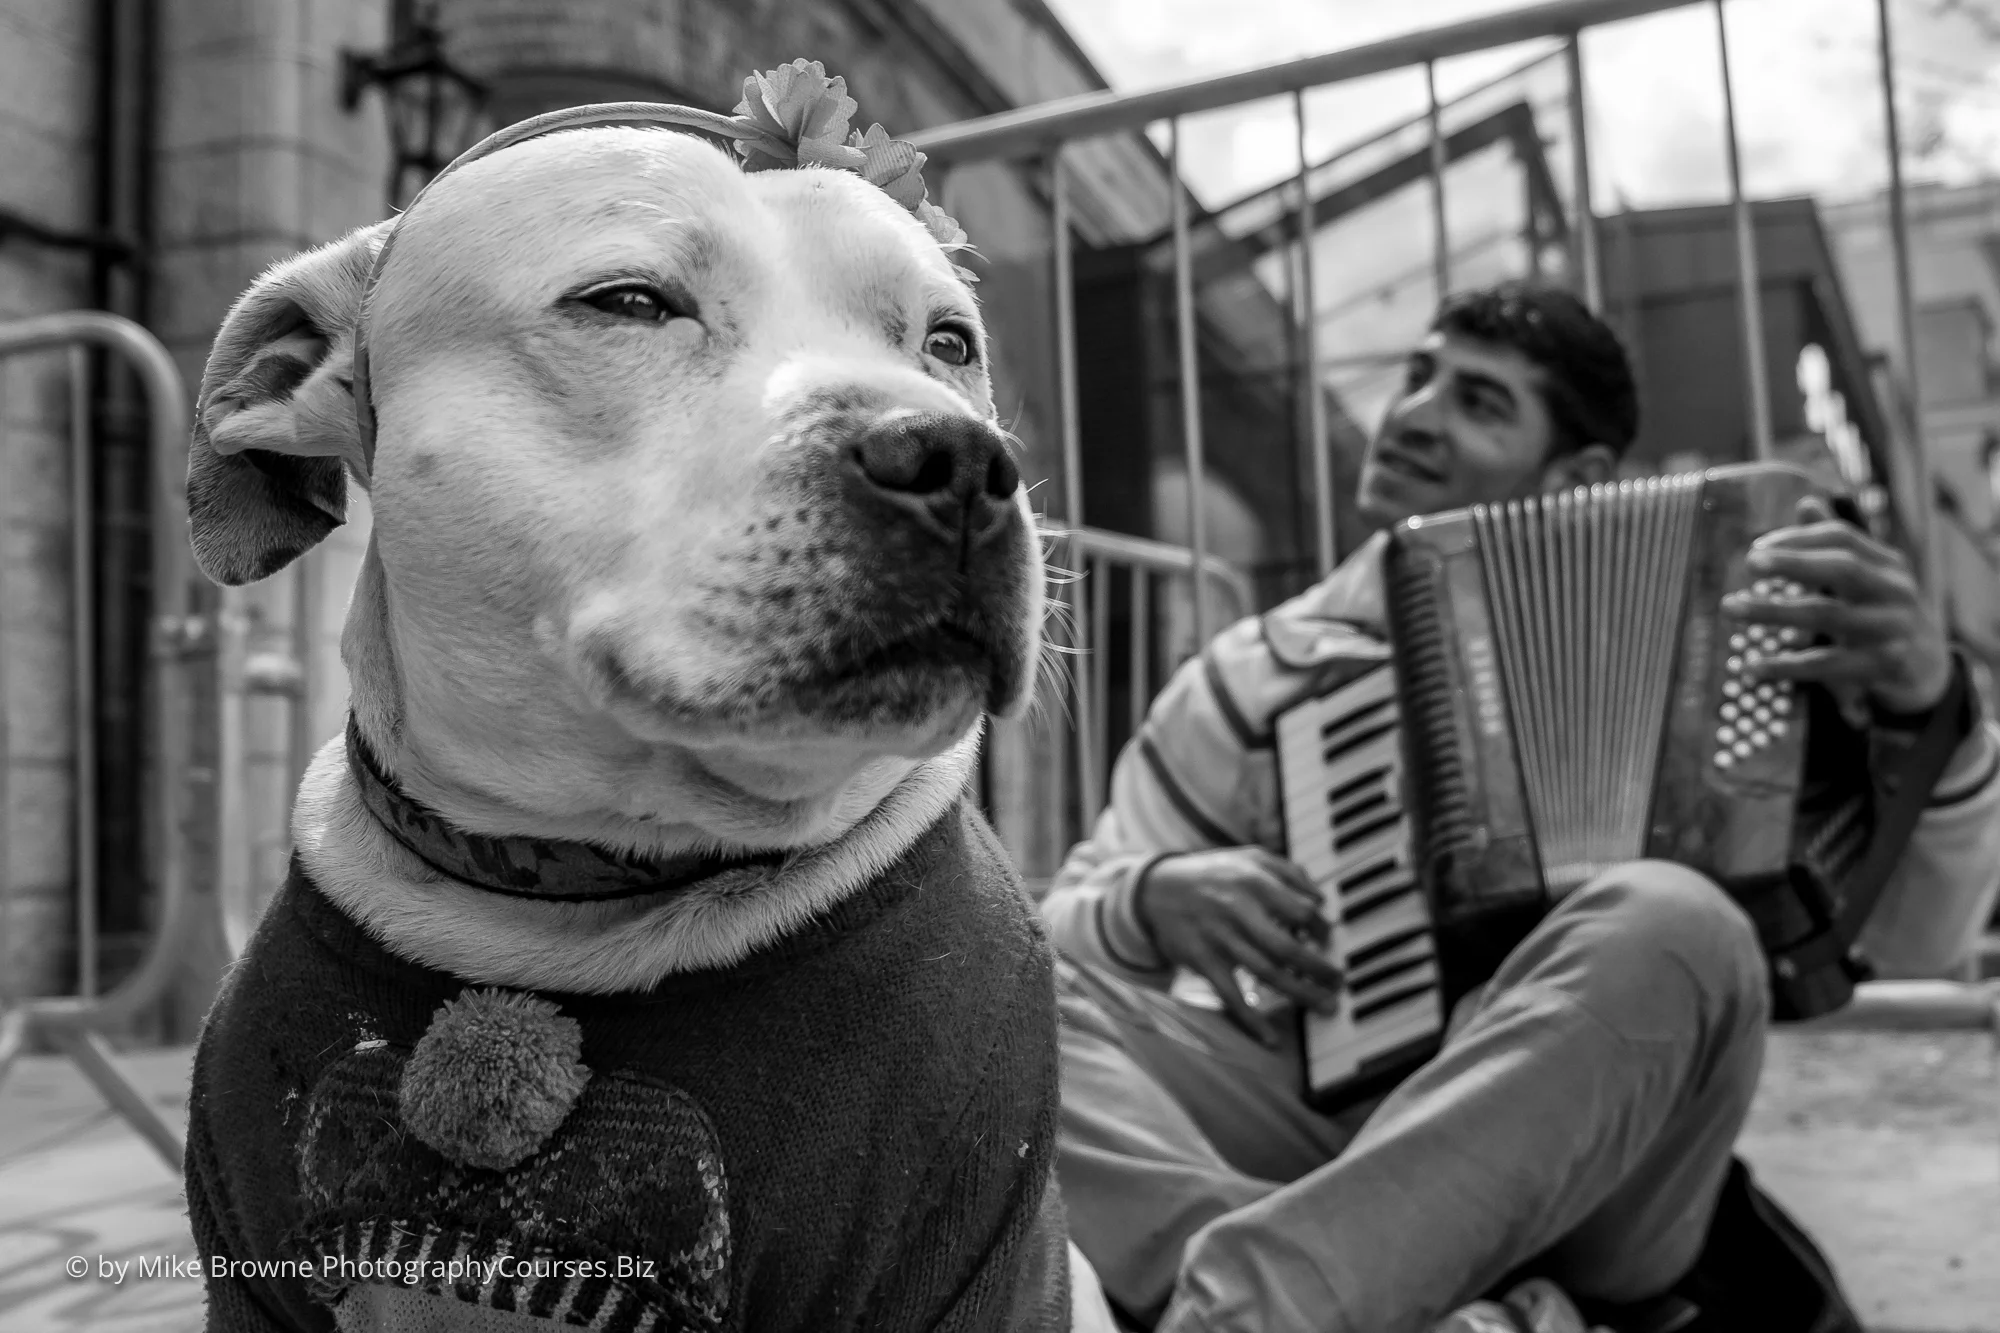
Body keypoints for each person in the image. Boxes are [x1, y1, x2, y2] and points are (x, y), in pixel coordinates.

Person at [1041, 280, 2000, 1333]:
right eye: (1417, 377)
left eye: (1478, 402)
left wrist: (1923, 712)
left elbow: (1918, 949)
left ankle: (1262, 1308)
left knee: (1679, 925)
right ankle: (1355, 1303)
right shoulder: (1255, 669)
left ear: (1577, 473)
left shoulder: (1727, 636)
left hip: (1604, 1169)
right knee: (1010, 980)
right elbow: (1076, 912)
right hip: (1329, 1132)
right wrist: (1150, 895)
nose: (1412, 415)